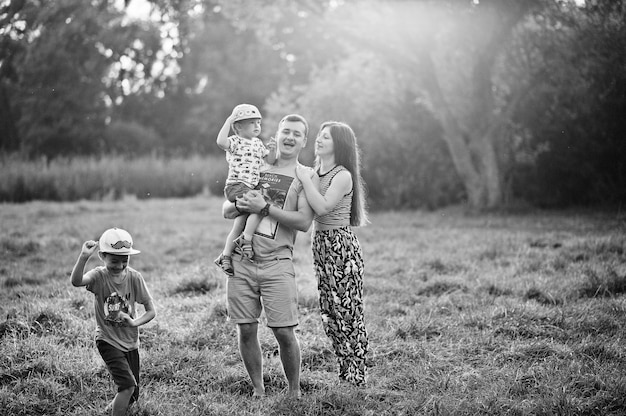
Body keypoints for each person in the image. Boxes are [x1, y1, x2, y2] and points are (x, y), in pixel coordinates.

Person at [222, 114, 314, 398]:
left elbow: (303, 222)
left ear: (303, 141)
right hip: (242, 261)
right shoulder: (256, 165)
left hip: (278, 262)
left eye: (296, 134)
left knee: (284, 332)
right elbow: (226, 210)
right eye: (286, 131)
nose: (289, 137)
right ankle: (258, 389)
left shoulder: (305, 175)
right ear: (277, 134)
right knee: (246, 329)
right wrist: (241, 203)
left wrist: (264, 207)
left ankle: (294, 391)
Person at [295, 121, 370, 387]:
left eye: (326, 137)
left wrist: (304, 178)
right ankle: (344, 369)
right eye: (319, 136)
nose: (319, 140)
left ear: (339, 143)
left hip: (340, 246)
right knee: (329, 311)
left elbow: (323, 207)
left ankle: (357, 374)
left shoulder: (342, 175)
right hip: (321, 244)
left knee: (348, 311)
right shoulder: (316, 172)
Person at [70, 227, 156, 416]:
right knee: (127, 386)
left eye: (124, 260)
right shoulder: (99, 276)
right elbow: (76, 281)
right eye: (114, 260)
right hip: (107, 340)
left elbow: (151, 311)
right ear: (102, 256)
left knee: (133, 394)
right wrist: (83, 257)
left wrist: (134, 323)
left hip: (131, 342)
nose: (119, 265)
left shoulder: (134, 277)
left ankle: (107, 411)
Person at [214, 104, 277, 276]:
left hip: (250, 187)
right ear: (239, 126)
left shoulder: (257, 143)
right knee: (261, 206)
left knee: (240, 222)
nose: (257, 126)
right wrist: (228, 120)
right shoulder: (235, 142)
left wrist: (272, 150)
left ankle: (225, 256)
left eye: (259, 123)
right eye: (252, 123)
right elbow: (220, 142)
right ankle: (245, 240)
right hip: (237, 186)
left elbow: (270, 161)